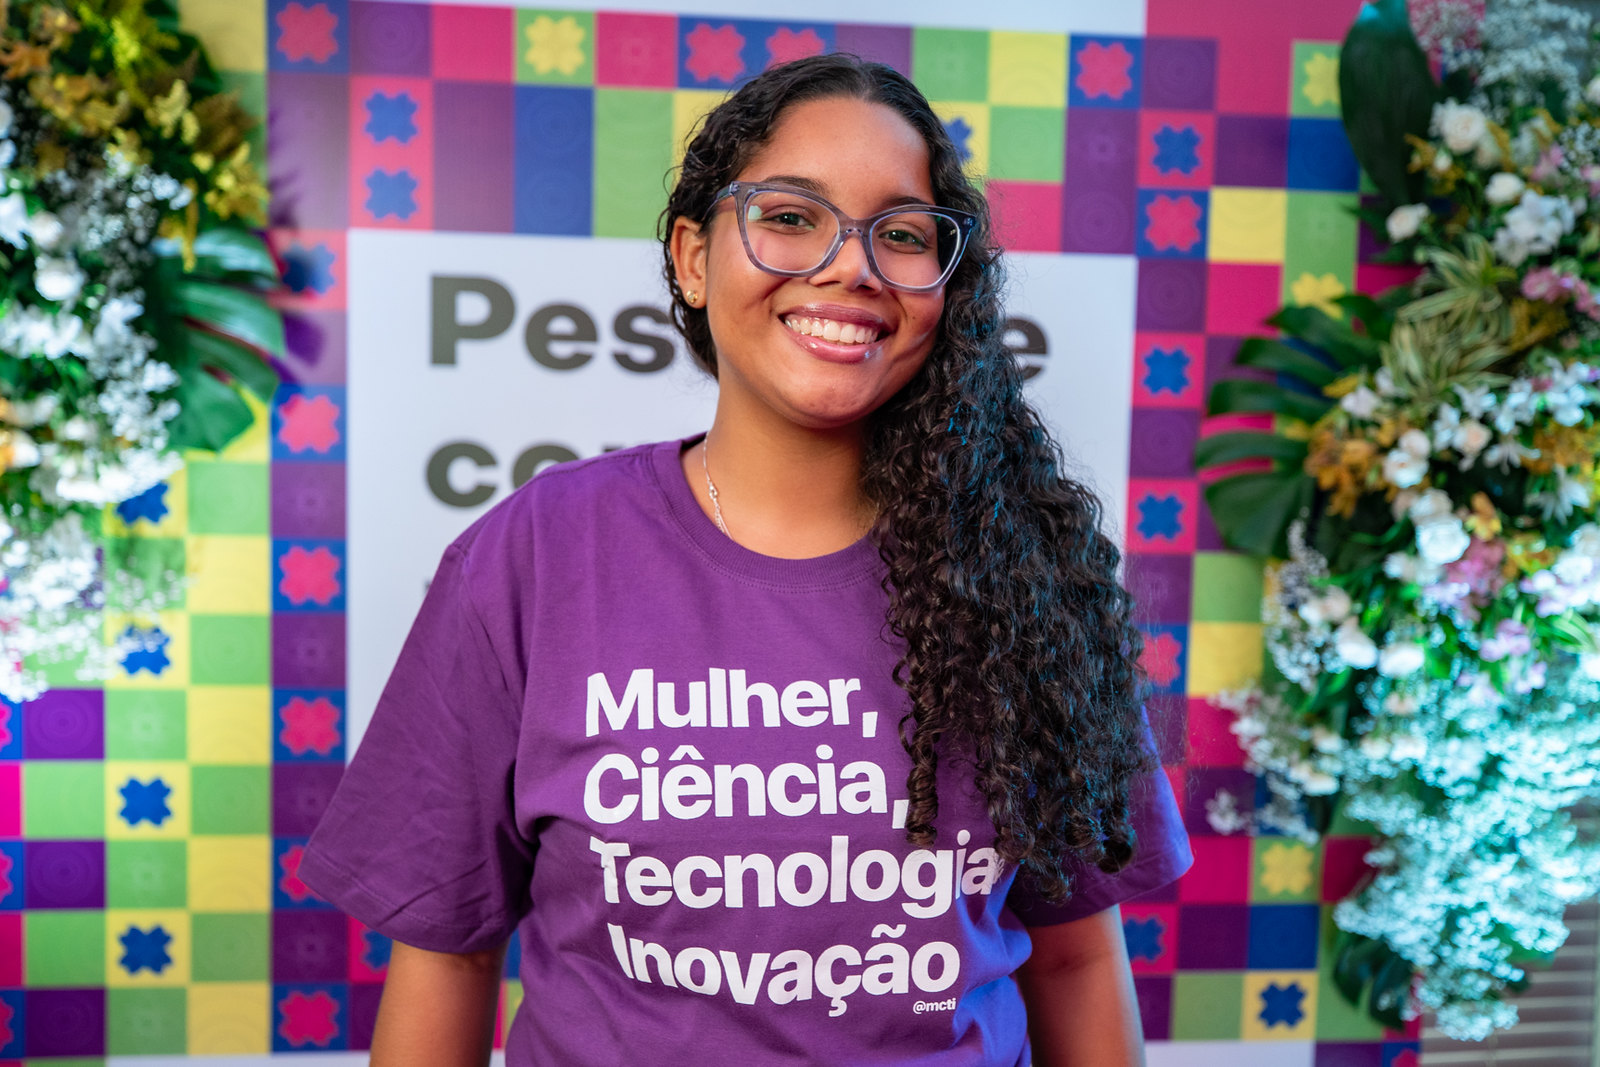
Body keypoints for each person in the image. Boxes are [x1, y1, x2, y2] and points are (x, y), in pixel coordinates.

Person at [300, 53, 1191, 1066]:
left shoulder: (1022, 577)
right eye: (791, 215)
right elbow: (448, 955)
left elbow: (1074, 961)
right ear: (692, 256)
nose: (851, 266)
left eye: (903, 234)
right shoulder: (534, 557)